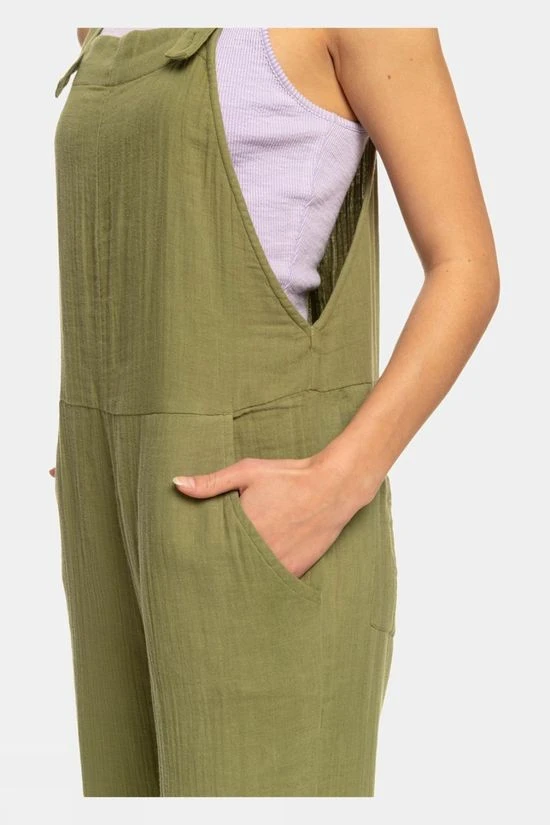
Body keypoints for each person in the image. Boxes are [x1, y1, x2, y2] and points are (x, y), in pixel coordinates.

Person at [49, 27, 500, 797]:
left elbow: (466, 266)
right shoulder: (104, 21)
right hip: (112, 519)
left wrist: (340, 482)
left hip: (261, 518)